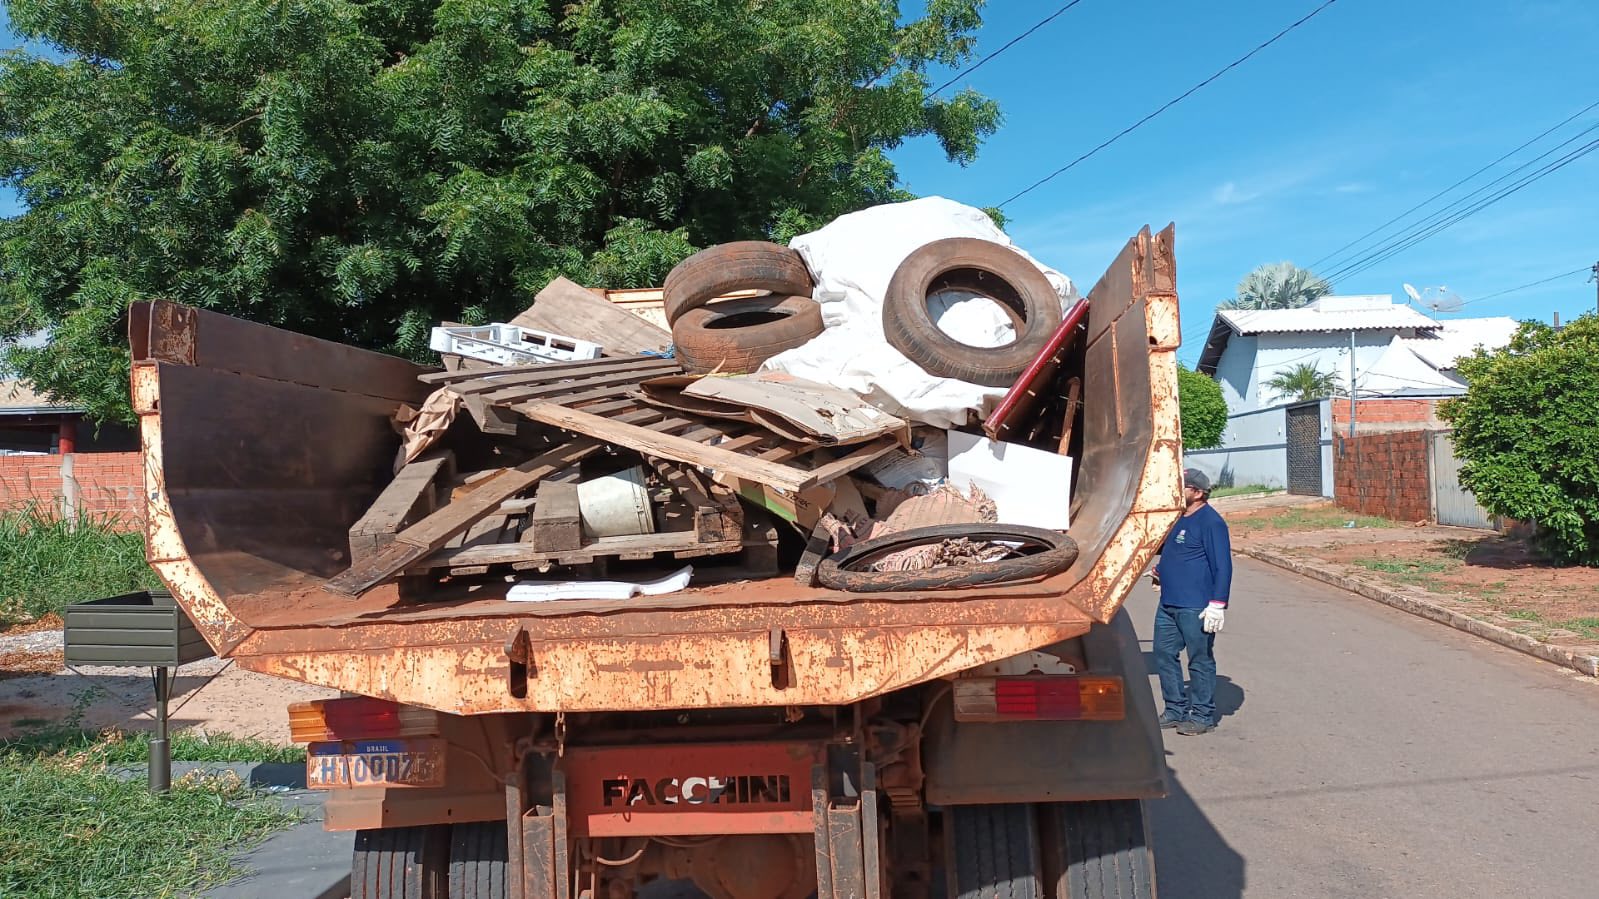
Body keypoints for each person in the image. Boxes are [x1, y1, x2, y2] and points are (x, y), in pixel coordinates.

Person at [1150, 467, 1232, 736]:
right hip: (1169, 603)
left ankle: (1202, 714)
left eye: (1182, 487)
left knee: (1199, 660)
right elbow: (1176, 553)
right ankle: (1175, 709)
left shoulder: (1211, 522)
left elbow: (1223, 566)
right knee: (1164, 654)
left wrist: (1217, 604)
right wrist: (1161, 572)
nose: (1176, 491)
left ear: (1197, 492)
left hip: (1195, 606)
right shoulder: (1177, 518)